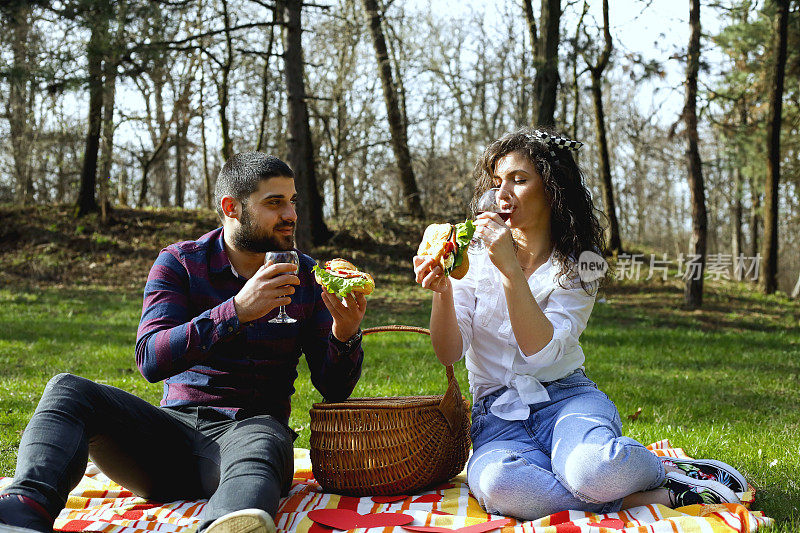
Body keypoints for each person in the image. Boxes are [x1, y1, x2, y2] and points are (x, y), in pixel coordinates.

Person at [0, 152, 367, 533]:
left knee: (266, 437)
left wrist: (345, 333)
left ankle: (226, 523)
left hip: (251, 434)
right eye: (274, 203)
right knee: (67, 390)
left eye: (292, 201)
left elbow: (334, 388)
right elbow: (151, 359)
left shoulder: (306, 275)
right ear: (232, 208)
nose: (290, 214)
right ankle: (22, 515)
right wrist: (236, 310)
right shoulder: (180, 263)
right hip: (167, 441)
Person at [412, 128, 748, 520]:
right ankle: (649, 497)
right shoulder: (471, 257)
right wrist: (442, 290)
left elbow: (541, 352)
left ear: (553, 190)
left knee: (593, 471)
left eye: (520, 180)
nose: (502, 193)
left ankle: (666, 471)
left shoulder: (582, 265)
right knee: (499, 488)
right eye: (497, 181)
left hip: (567, 399)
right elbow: (448, 352)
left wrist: (509, 271)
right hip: (498, 416)